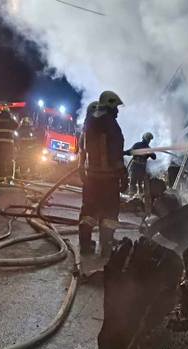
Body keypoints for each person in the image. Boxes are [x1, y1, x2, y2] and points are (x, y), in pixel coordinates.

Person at [79, 91, 126, 257]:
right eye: (116, 107)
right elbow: (116, 154)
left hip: (91, 179)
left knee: (88, 213)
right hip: (109, 180)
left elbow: (82, 150)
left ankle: (85, 246)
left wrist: (82, 170)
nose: (117, 111)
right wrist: (123, 175)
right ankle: (106, 247)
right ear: (110, 105)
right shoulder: (111, 125)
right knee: (109, 215)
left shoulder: (88, 123)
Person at [124, 132, 156, 196]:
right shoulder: (138, 145)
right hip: (136, 166)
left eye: (149, 140)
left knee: (139, 183)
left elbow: (154, 157)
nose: (149, 141)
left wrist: (150, 153)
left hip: (141, 167)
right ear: (145, 138)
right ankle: (133, 196)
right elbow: (130, 152)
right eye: (148, 139)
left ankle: (139, 196)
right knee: (134, 182)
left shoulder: (147, 148)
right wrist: (123, 153)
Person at [0, 107, 19, 179]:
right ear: (8, 112)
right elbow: (17, 125)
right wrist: (11, 117)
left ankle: (1, 177)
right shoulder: (10, 120)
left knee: (1, 160)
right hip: (9, 143)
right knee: (9, 159)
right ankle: (9, 176)